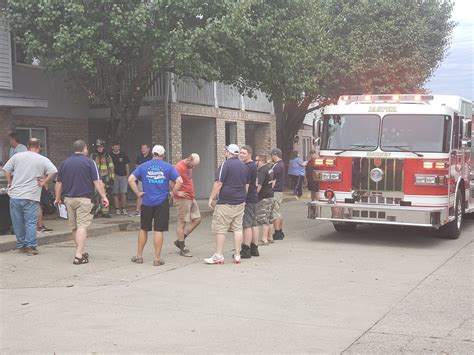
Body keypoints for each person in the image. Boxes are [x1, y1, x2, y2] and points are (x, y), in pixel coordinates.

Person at [54, 140, 109, 265]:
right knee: (82, 226)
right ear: (84, 148)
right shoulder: (90, 162)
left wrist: (57, 198)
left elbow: (58, 183)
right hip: (84, 198)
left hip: (68, 199)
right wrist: (104, 196)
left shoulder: (64, 163)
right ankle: (79, 255)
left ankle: (81, 250)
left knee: (74, 227)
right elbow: (97, 181)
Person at [128, 145, 183, 266]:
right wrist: (173, 193)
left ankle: (139, 256)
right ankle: (157, 259)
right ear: (163, 155)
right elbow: (180, 181)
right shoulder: (168, 167)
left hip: (146, 201)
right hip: (162, 202)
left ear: (152, 153)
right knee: (159, 230)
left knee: (144, 228)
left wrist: (137, 193)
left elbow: (131, 179)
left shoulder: (143, 166)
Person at [3, 138, 57, 255]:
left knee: (17, 222)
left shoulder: (17, 156)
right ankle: (31, 246)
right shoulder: (42, 159)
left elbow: (6, 169)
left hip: (15, 195)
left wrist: (9, 182)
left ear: (28, 146)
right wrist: (44, 181)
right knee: (31, 222)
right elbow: (53, 171)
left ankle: (21, 245)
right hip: (31, 196)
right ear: (39, 147)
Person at [205, 144, 249, 265]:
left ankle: (219, 255)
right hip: (240, 200)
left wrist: (211, 197)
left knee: (221, 228)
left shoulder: (226, 164)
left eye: (225, 150)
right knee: (237, 228)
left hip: (226, 201)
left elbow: (219, 182)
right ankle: (238, 255)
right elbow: (246, 184)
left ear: (228, 152)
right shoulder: (244, 166)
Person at [173, 153, 201, 257]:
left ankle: (180, 240)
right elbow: (171, 181)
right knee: (182, 222)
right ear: (189, 160)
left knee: (197, 219)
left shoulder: (189, 166)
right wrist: (176, 192)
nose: (193, 167)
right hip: (182, 199)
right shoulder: (179, 167)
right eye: (193, 165)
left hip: (190, 197)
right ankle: (182, 247)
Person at [239, 145, 259, 259]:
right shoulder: (253, 166)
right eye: (240, 152)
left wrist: (243, 198)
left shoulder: (247, 167)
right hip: (254, 197)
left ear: (250, 154)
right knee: (253, 223)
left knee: (246, 225)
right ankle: (254, 248)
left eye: (244, 153)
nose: (241, 155)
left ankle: (246, 249)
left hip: (249, 198)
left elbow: (246, 185)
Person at [90, 139, 115, 218]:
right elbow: (90, 167)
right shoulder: (93, 156)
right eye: (98, 147)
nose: (100, 148)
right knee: (95, 195)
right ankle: (95, 211)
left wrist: (112, 177)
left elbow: (111, 166)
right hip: (95, 178)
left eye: (101, 147)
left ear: (103, 147)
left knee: (105, 194)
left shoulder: (107, 156)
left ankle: (104, 212)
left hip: (105, 178)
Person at [256, 154, 274, 245]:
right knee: (270, 218)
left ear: (261, 161)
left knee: (263, 219)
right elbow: (273, 182)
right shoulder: (269, 169)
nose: (255, 162)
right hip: (270, 195)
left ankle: (264, 239)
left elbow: (259, 185)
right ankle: (270, 237)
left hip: (264, 197)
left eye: (256, 160)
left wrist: (255, 194)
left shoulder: (262, 171)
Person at [110, 142, 130, 215]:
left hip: (123, 176)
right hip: (114, 176)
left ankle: (123, 208)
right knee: (115, 193)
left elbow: (127, 165)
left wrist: (127, 175)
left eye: (118, 147)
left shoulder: (123, 155)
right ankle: (117, 209)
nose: (117, 148)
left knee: (123, 193)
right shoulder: (110, 156)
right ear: (112, 147)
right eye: (115, 147)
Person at [270, 148, 285, 240]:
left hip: (276, 191)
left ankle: (277, 232)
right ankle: (279, 230)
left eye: (272, 155)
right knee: (277, 210)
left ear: (275, 155)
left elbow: (271, 176)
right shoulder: (279, 164)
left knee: (275, 211)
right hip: (279, 190)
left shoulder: (277, 166)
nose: (271, 157)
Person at [134, 143, 153, 216]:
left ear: (148, 149)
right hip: (141, 179)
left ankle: (149, 210)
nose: (143, 150)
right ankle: (138, 210)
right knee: (139, 194)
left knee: (149, 194)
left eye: (144, 148)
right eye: (142, 148)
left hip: (149, 179)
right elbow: (136, 167)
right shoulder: (139, 157)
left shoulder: (151, 157)